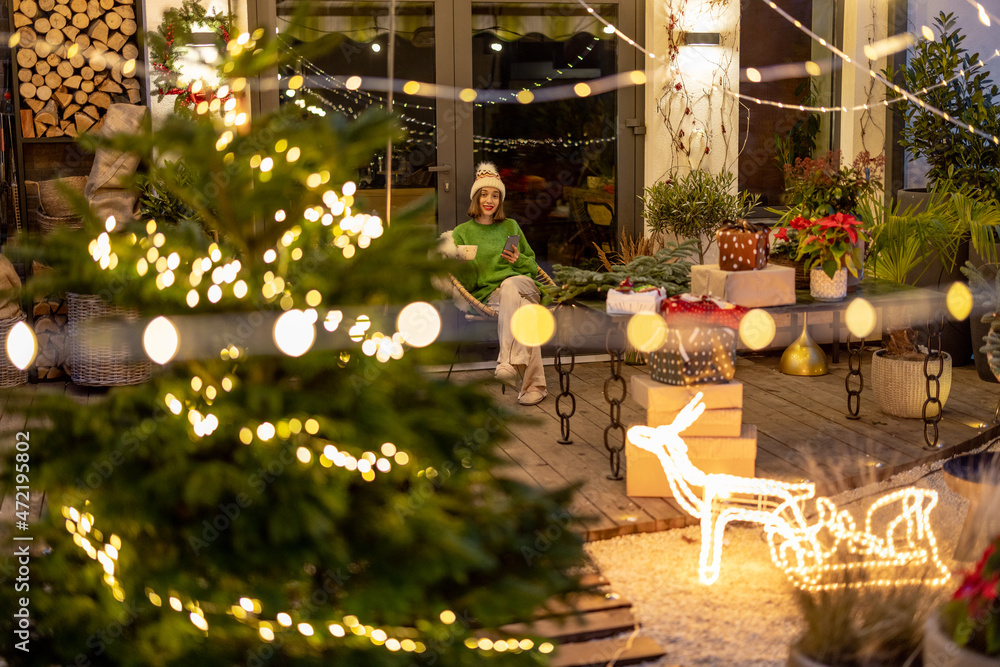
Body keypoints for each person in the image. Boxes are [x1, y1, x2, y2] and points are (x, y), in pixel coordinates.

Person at [452, 162, 547, 406]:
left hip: (524, 285)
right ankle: (534, 386)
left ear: (500, 200)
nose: (489, 200)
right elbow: (470, 285)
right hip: (492, 296)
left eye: (495, 195)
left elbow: (531, 265)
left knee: (511, 286)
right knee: (525, 313)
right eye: (484, 194)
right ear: (476, 197)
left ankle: (505, 360)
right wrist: (463, 266)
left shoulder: (510, 226)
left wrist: (518, 259)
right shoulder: (462, 233)